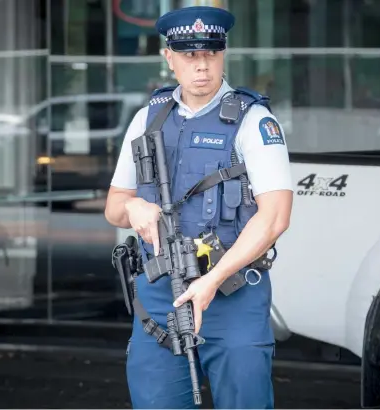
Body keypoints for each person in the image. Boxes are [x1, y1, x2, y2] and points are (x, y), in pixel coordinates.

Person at [105, 5, 294, 409]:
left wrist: (211, 282)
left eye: (210, 53)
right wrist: (135, 209)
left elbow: (275, 216)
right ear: (169, 58)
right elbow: (114, 205)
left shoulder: (253, 121)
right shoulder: (146, 120)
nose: (202, 66)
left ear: (223, 54)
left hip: (231, 294)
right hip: (160, 296)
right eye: (190, 55)